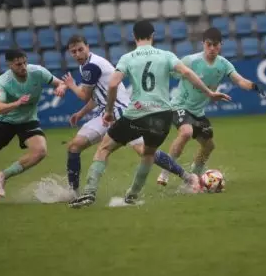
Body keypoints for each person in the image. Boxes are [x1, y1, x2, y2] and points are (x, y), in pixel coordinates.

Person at [68, 21, 231, 208]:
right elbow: (187, 72)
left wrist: (109, 111)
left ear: (134, 37)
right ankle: (132, 195)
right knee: (148, 154)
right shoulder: (166, 55)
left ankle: (89, 193)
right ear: (152, 35)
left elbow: (112, 84)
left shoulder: (127, 57)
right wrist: (209, 93)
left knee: (104, 149)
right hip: (163, 116)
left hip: (137, 113)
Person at [61, 35, 201, 199]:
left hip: (121, 112)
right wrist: (81, 113)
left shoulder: (92, 66)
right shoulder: (86, 64)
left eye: (80, 50)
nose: (77, 54)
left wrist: (70, 85)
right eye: (73, 52)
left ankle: (187, 177)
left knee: (144, 151)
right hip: (106, 113)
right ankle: (74, 192)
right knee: (74, 146)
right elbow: (96, 96)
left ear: (88, 47)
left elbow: (84, 95)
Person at [0, 50, 67, 207]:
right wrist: (16, 103)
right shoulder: (3, 81)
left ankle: (2, 176)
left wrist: (61, 88)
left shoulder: (38, 72)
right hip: (4, 121)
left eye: (24, 62)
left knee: (40, 151)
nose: (23, 67)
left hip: (28, 120)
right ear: (10, 65)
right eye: (18, 64)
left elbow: (60, 82)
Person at [156, 28, 265, 186]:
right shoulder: (191, 61)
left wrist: (254, 86)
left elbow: (240, 80)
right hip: (179, 106)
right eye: (209, 44)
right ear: (203, 44)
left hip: (198, 112)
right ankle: (165, 171)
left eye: (215, 45)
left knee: (209, 146)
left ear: (221, 45)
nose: (212, 48)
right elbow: (172, 73)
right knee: (186, 132)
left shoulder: (223, 64)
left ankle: (193, 177)